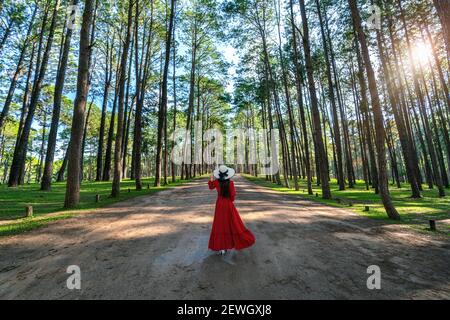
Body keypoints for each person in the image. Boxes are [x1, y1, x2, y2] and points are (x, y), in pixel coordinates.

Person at [208, 165, 255, 255]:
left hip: (219, 205)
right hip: (228, 205)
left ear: (219, 174)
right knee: (232, 224)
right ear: (227, 174)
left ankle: (221, 247)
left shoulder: (217, 182)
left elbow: (210, 187)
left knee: (220, 224)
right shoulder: (231, 183)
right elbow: (232, 196)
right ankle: (229, 244)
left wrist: (211, 178)